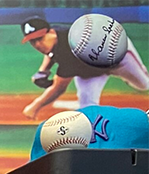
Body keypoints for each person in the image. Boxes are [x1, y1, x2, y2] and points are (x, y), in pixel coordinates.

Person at [20, 15, 149, 120]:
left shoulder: (69, 51)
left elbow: (59, 88)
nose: (37, 44)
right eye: (33, 41)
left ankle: (129, 74)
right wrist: (43, 70)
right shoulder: (56, 37)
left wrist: (35, 106)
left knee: (144, 85)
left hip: (117, 57)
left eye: (40, 39)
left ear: (51, 32)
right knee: (87, 110)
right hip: (91, 71)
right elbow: (51, 53)